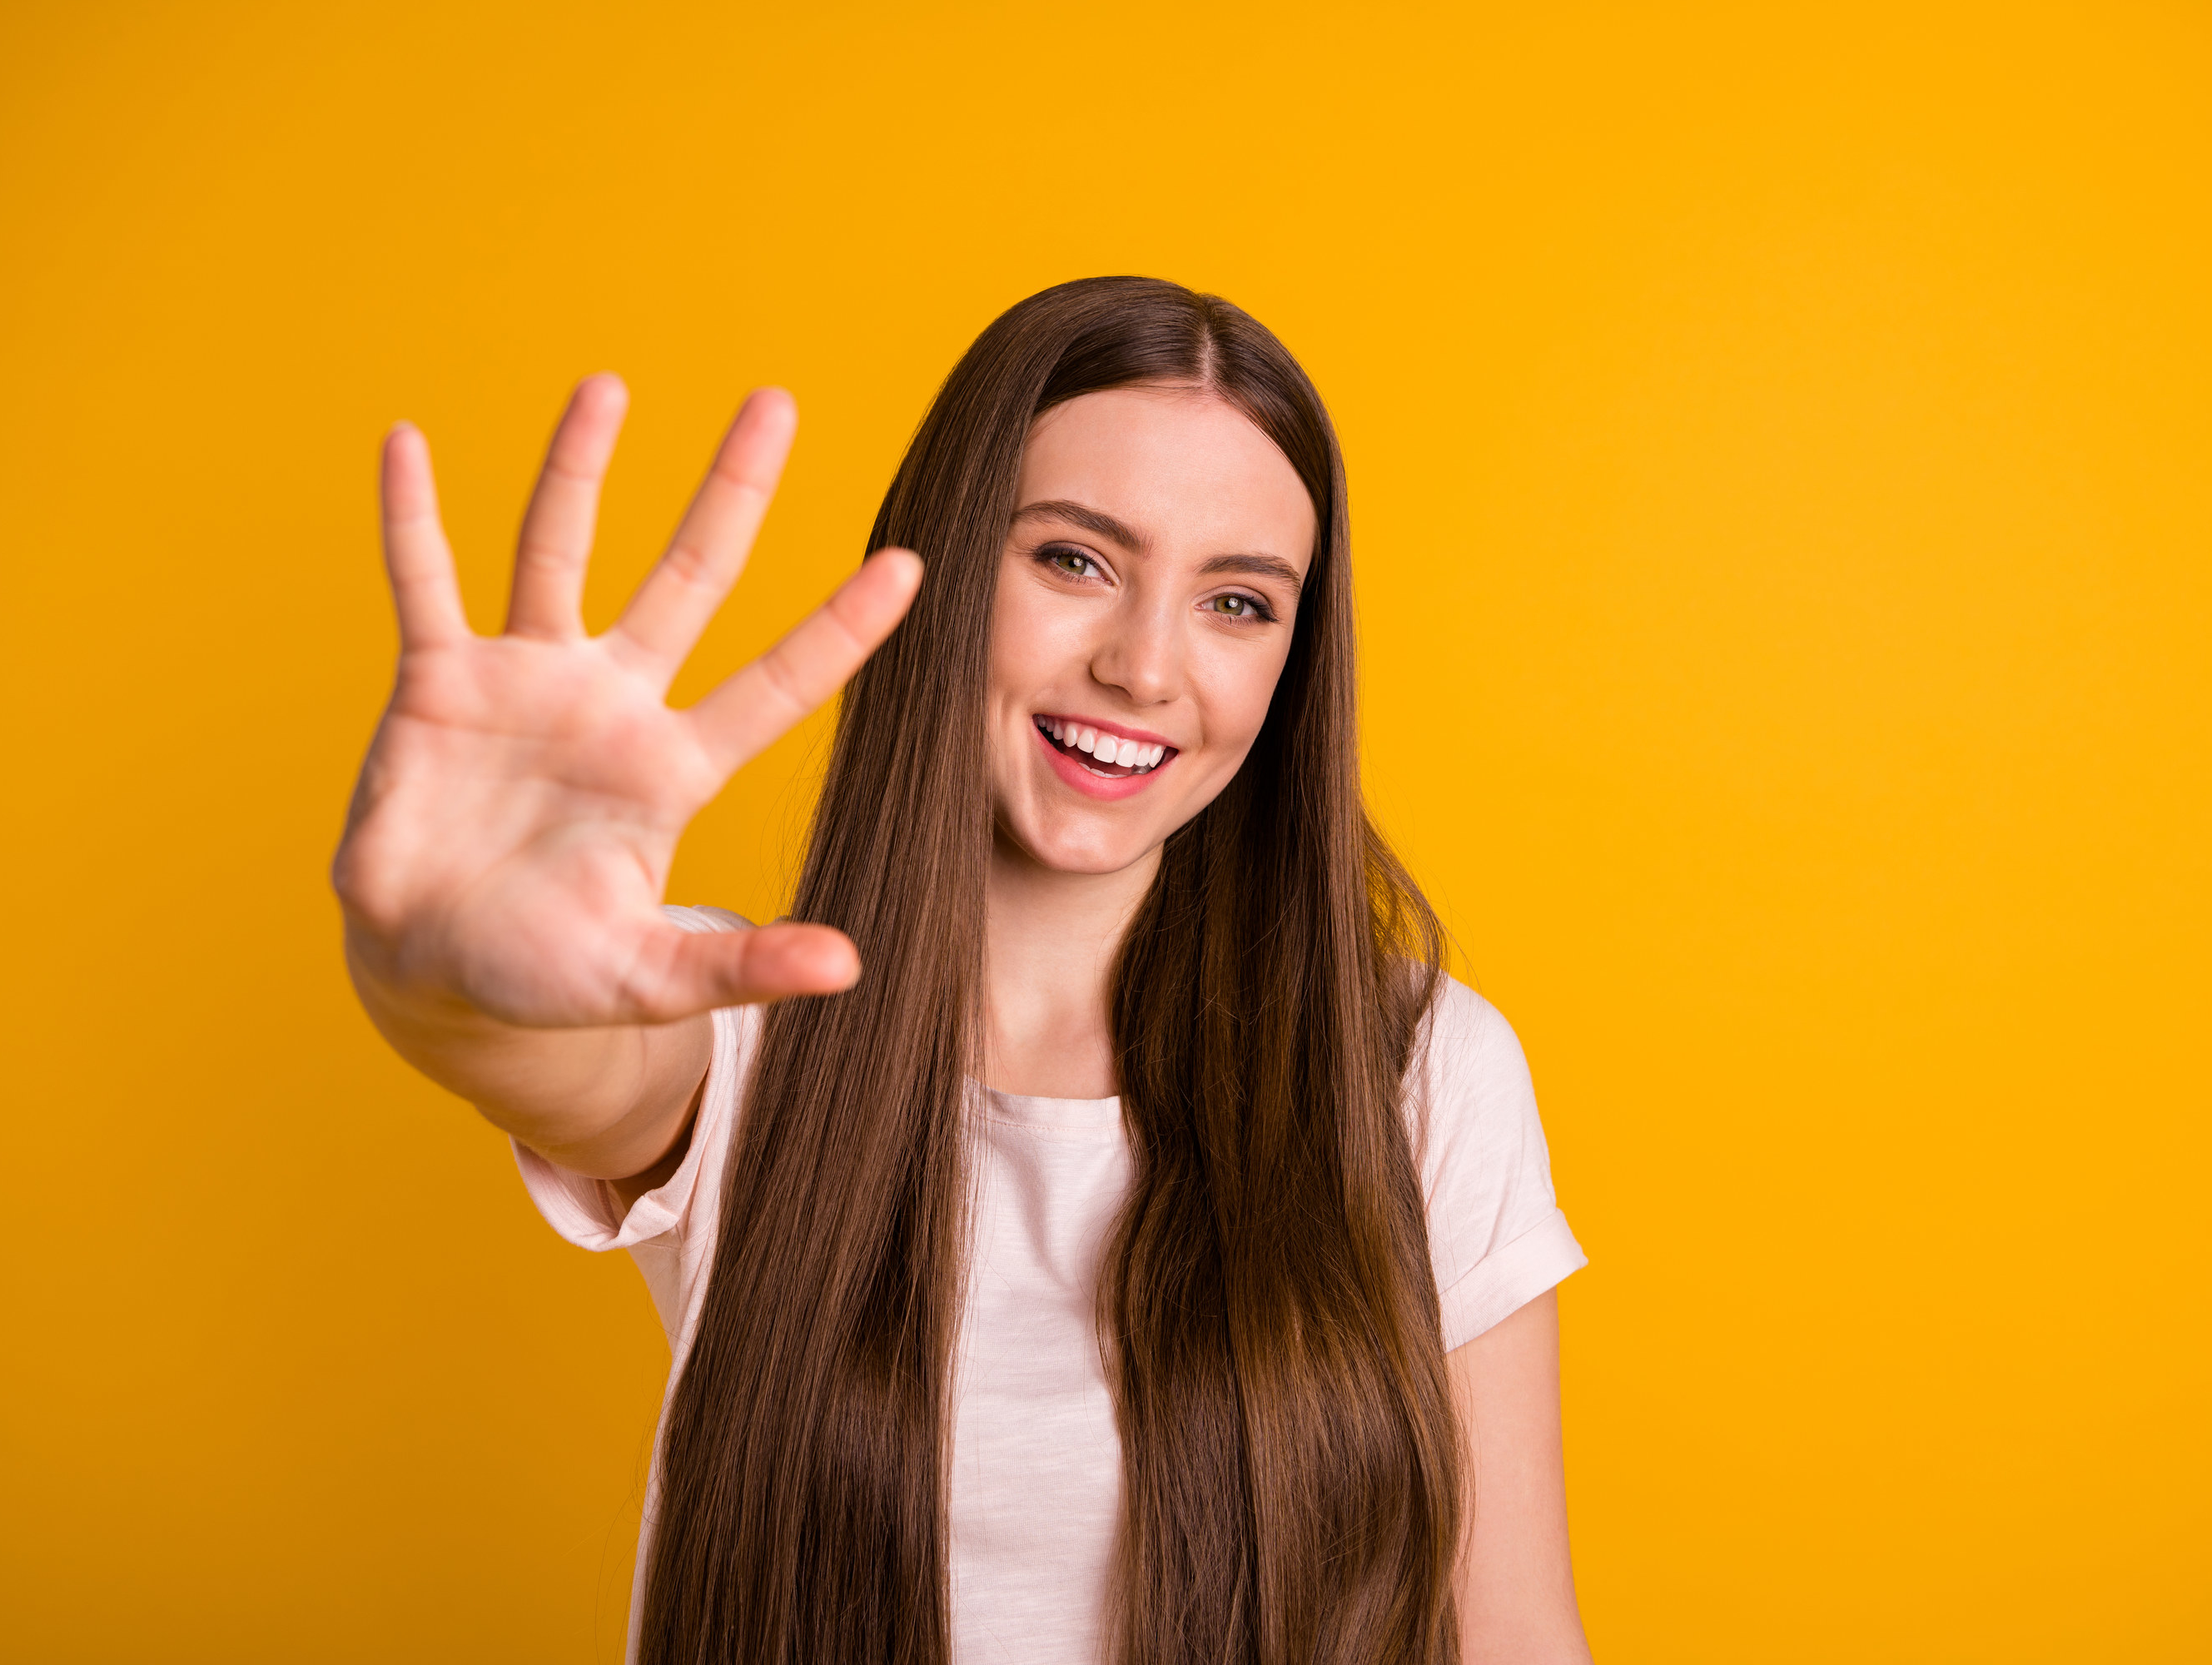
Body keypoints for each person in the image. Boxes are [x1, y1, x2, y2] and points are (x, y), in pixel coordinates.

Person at [333, 276, 1591, 1665]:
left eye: (1238, 602)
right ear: (938, 567)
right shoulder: (739, 1018)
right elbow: (562, 1057)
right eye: (1075, 561)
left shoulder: (1418, 1069)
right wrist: (445, 969)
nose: (1146, 667)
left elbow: (1515, 1633)